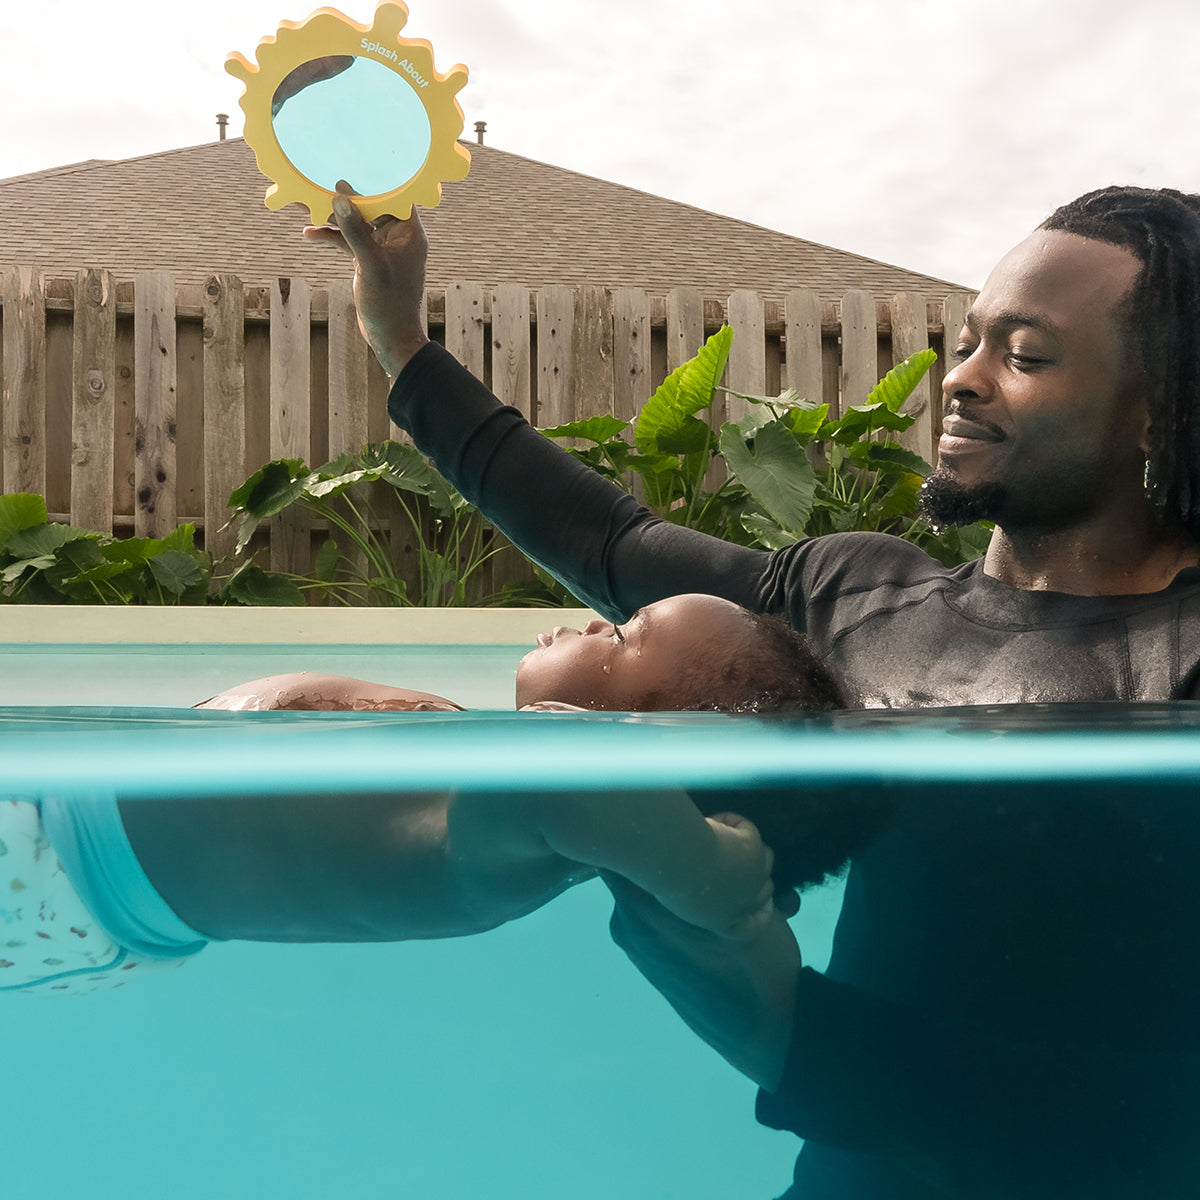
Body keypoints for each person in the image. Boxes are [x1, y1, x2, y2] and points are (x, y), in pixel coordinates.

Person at [305, 183, 1200, 1197]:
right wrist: (400, 338)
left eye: (1025, 356)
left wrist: (793, 1037)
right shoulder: (856, 595)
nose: (963, 380)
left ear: (1158, 412)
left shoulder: (1184, 657)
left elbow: (1155, 1100)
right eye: (969, 343)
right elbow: (609, 538)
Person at [2, 593, 857, 997]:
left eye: (627, 636)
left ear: (651, 740)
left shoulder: (525, 830)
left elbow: (586, 783)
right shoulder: (496, 783)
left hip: (53, 858)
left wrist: (716, 878)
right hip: (81, 877)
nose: (596, 620)